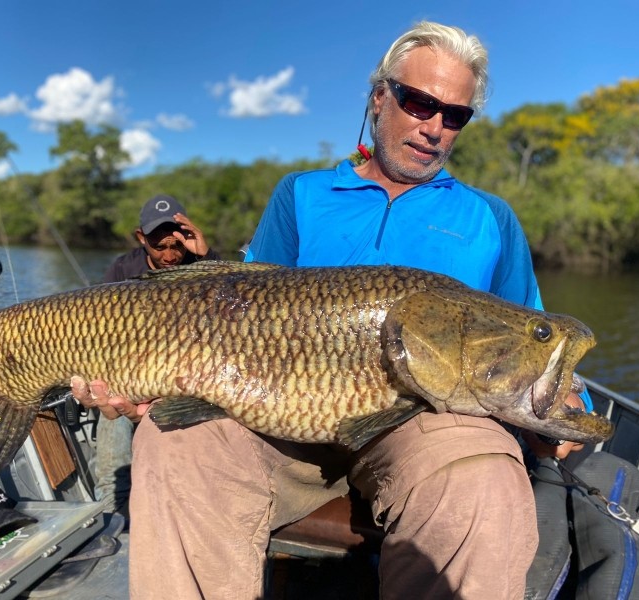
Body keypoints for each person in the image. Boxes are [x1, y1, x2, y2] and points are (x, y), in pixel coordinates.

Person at [74, 21, 591, 598]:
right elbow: (230, 305)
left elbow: (526, 328)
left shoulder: (491, 220)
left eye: (455, 115)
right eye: (420, 102)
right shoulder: (301, 194)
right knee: (173, 446)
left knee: (486, 477)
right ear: (379, 97)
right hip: (277, 417)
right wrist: (146, 370)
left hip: (427, 422)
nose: (434, 127)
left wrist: (568, 403)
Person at [89, 194, 221, 515]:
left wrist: (205, 257)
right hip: (132, 366)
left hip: (190, 367)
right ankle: (113, 504)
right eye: (158, 246)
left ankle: (194, 497)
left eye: (176, 245)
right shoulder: (122, 270)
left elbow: (234, 307)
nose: (169, 255)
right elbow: (101, 332)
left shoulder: (200, 265)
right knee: (113, 411)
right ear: (141, 238)